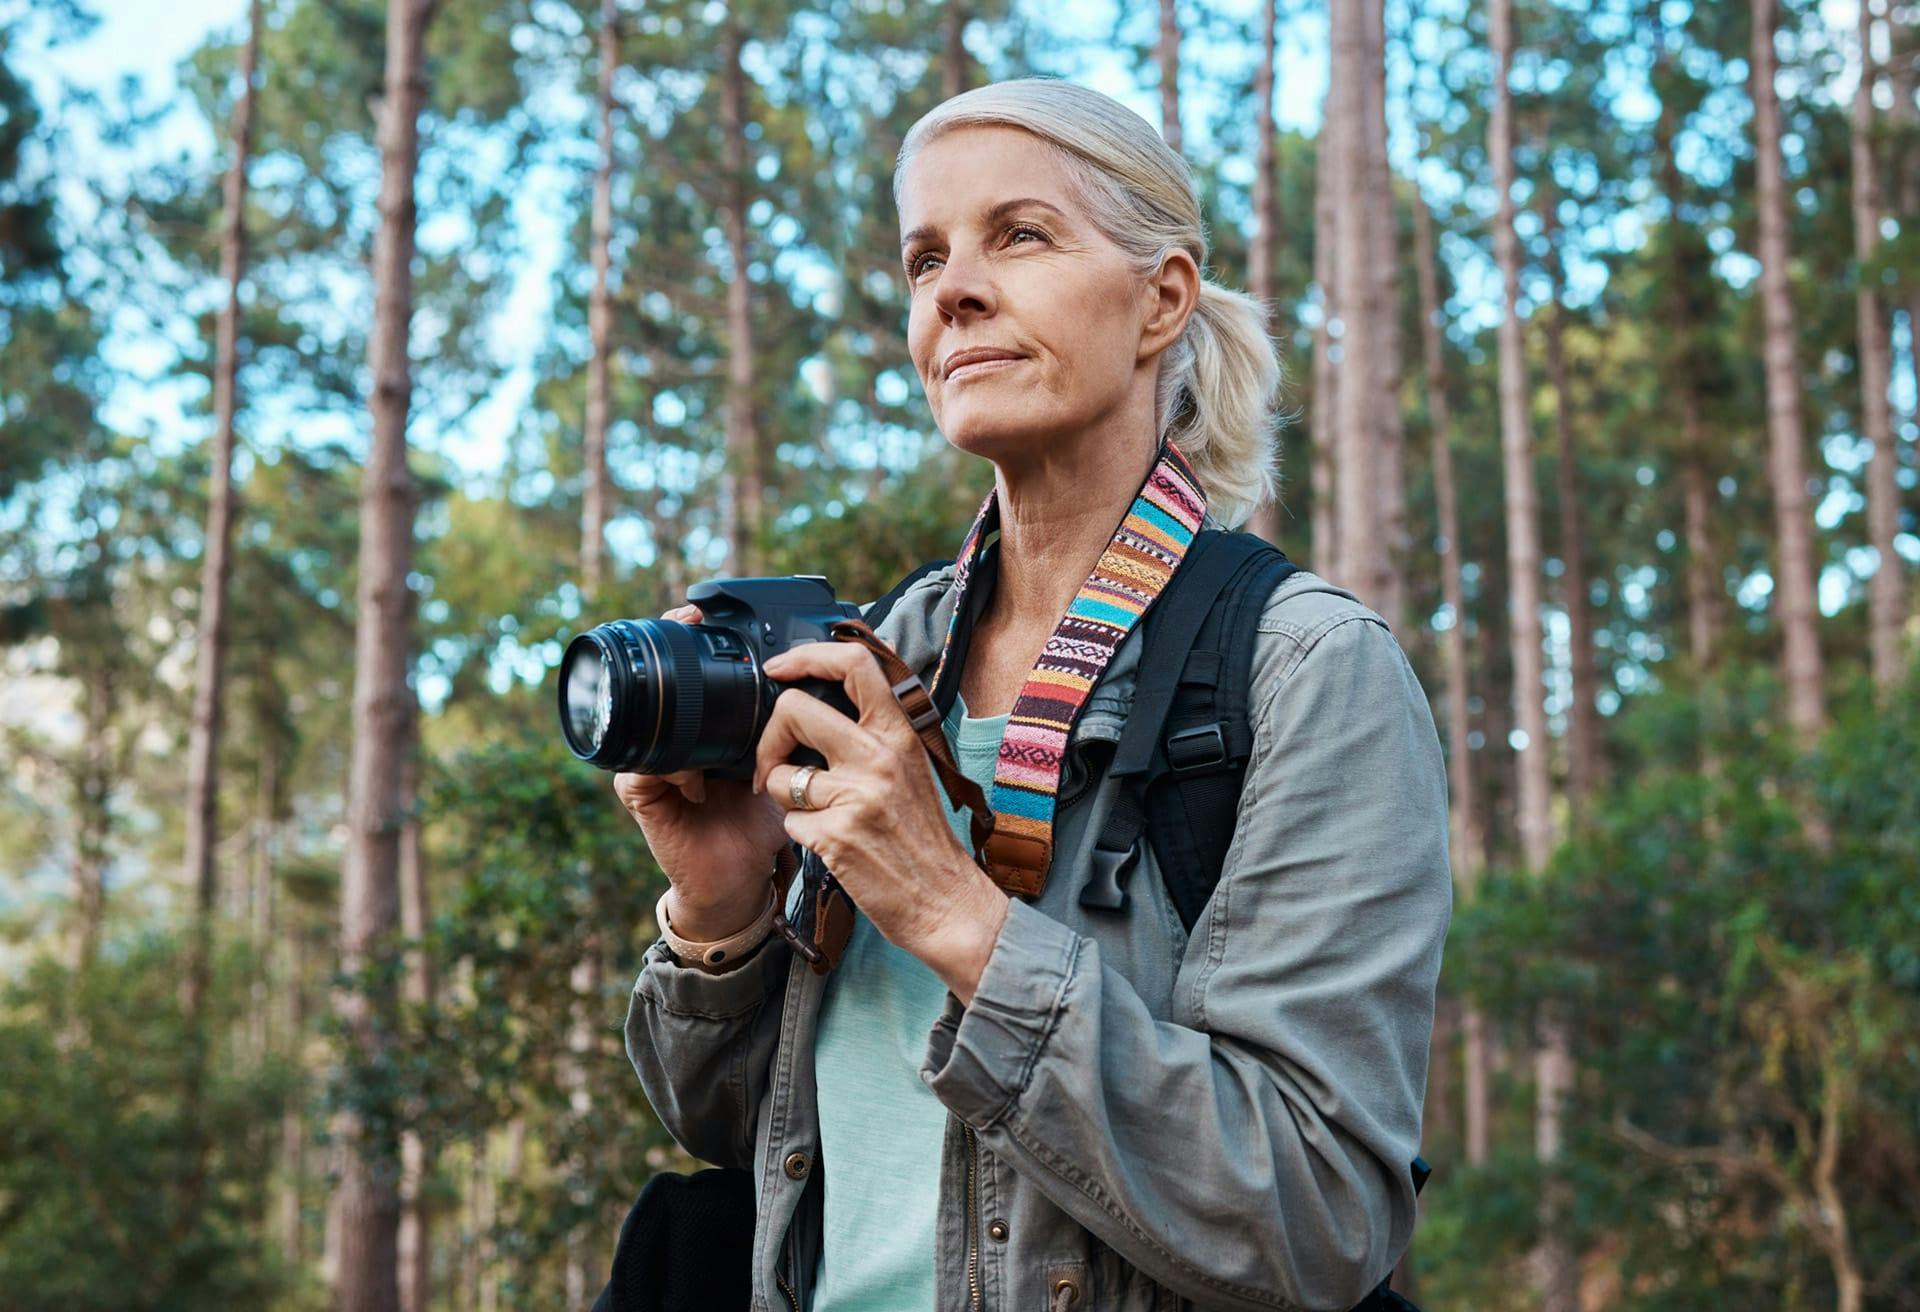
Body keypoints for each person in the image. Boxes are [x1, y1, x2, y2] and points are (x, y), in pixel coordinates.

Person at [616, 77, 1451, 1312]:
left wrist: (958, 917)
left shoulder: (1306, 671)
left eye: (1020, 234)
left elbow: (1321, 1212)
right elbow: (752, 1130)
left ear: (1161, 298)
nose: (950, 289)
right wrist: (722, 907)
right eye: (923, 257)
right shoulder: (877, 658)